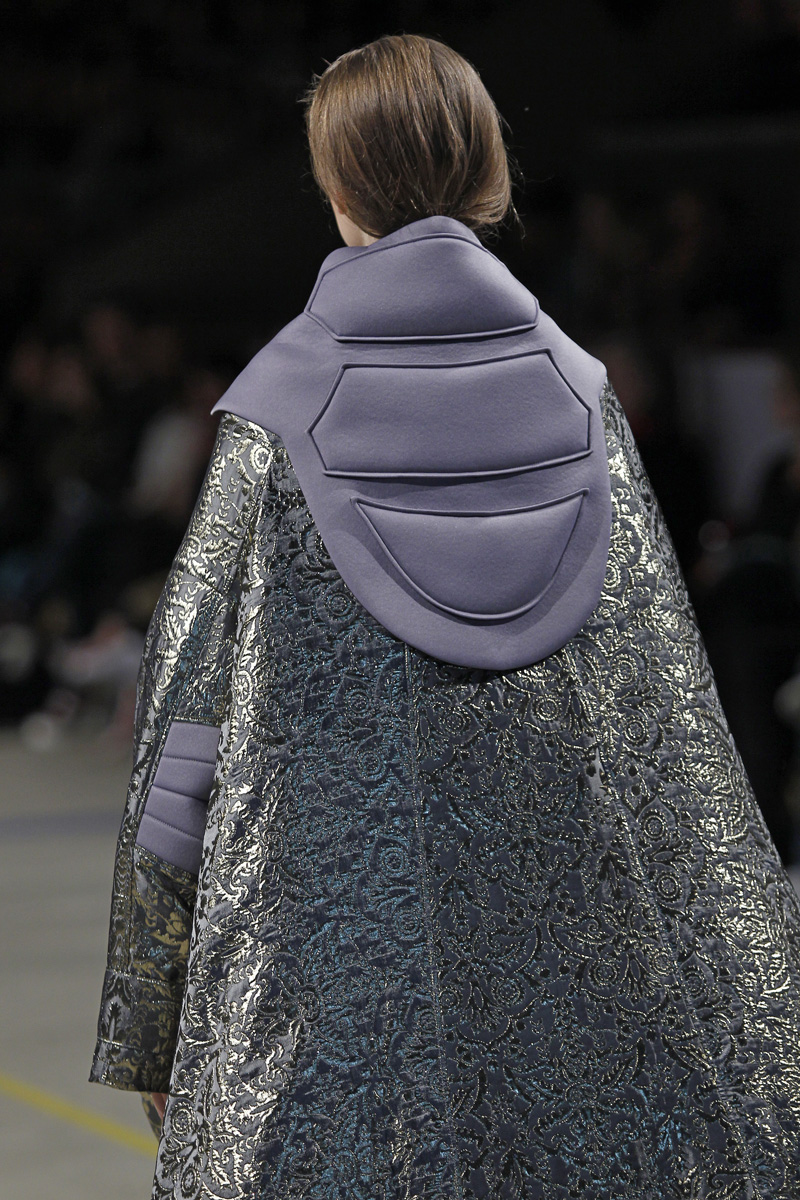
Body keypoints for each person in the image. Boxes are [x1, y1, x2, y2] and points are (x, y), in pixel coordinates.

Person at [89, 34, 800, 1200]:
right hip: (582, 1037)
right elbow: (671, 728)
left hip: (339, 1044)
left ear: (336, 187)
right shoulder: (584, 401)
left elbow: (185, 731)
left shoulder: (274, 423)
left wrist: (152, 1017)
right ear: (487, 175)